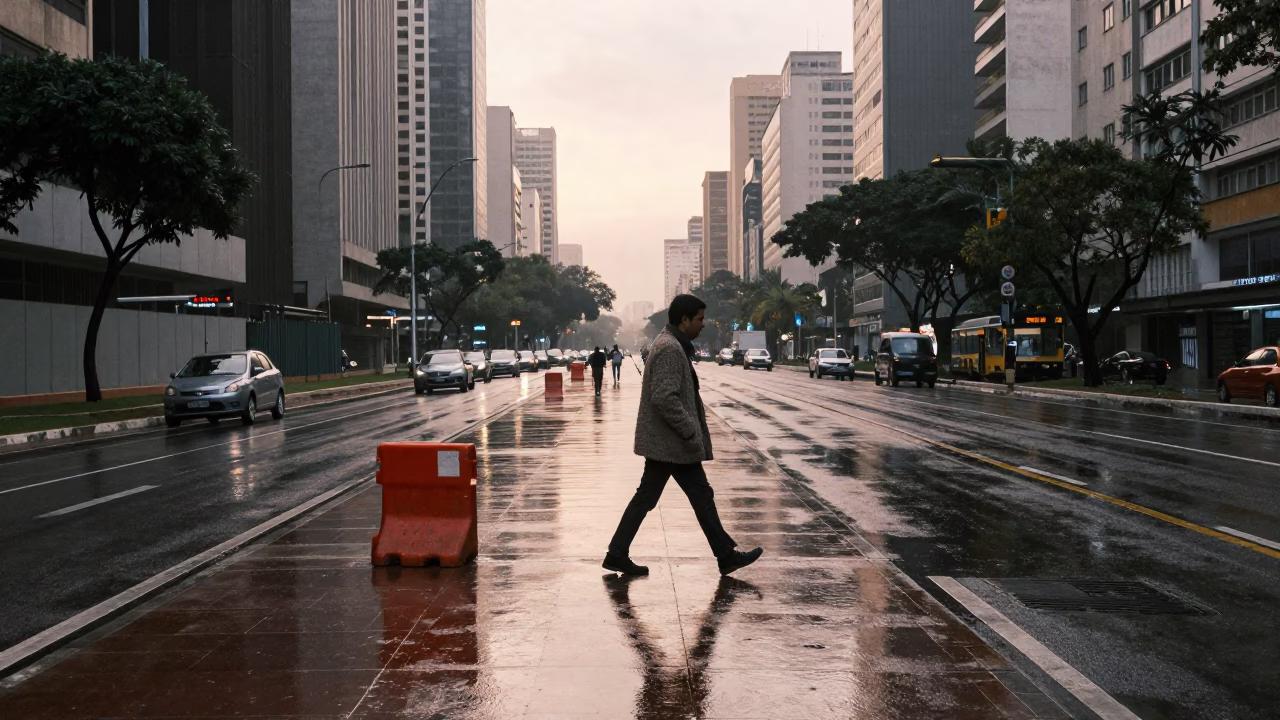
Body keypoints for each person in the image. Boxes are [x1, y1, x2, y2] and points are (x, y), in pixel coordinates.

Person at [603, 294, 763, 577]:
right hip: (671, 444)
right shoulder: (669, 348)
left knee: (690, 496)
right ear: (684, 319)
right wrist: (690, 429)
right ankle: (724, 556)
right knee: (668, 497)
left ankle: (723, 556)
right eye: (700, 319)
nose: (703, 324)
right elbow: (664, 397)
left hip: (672, 443)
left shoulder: (672, 345)